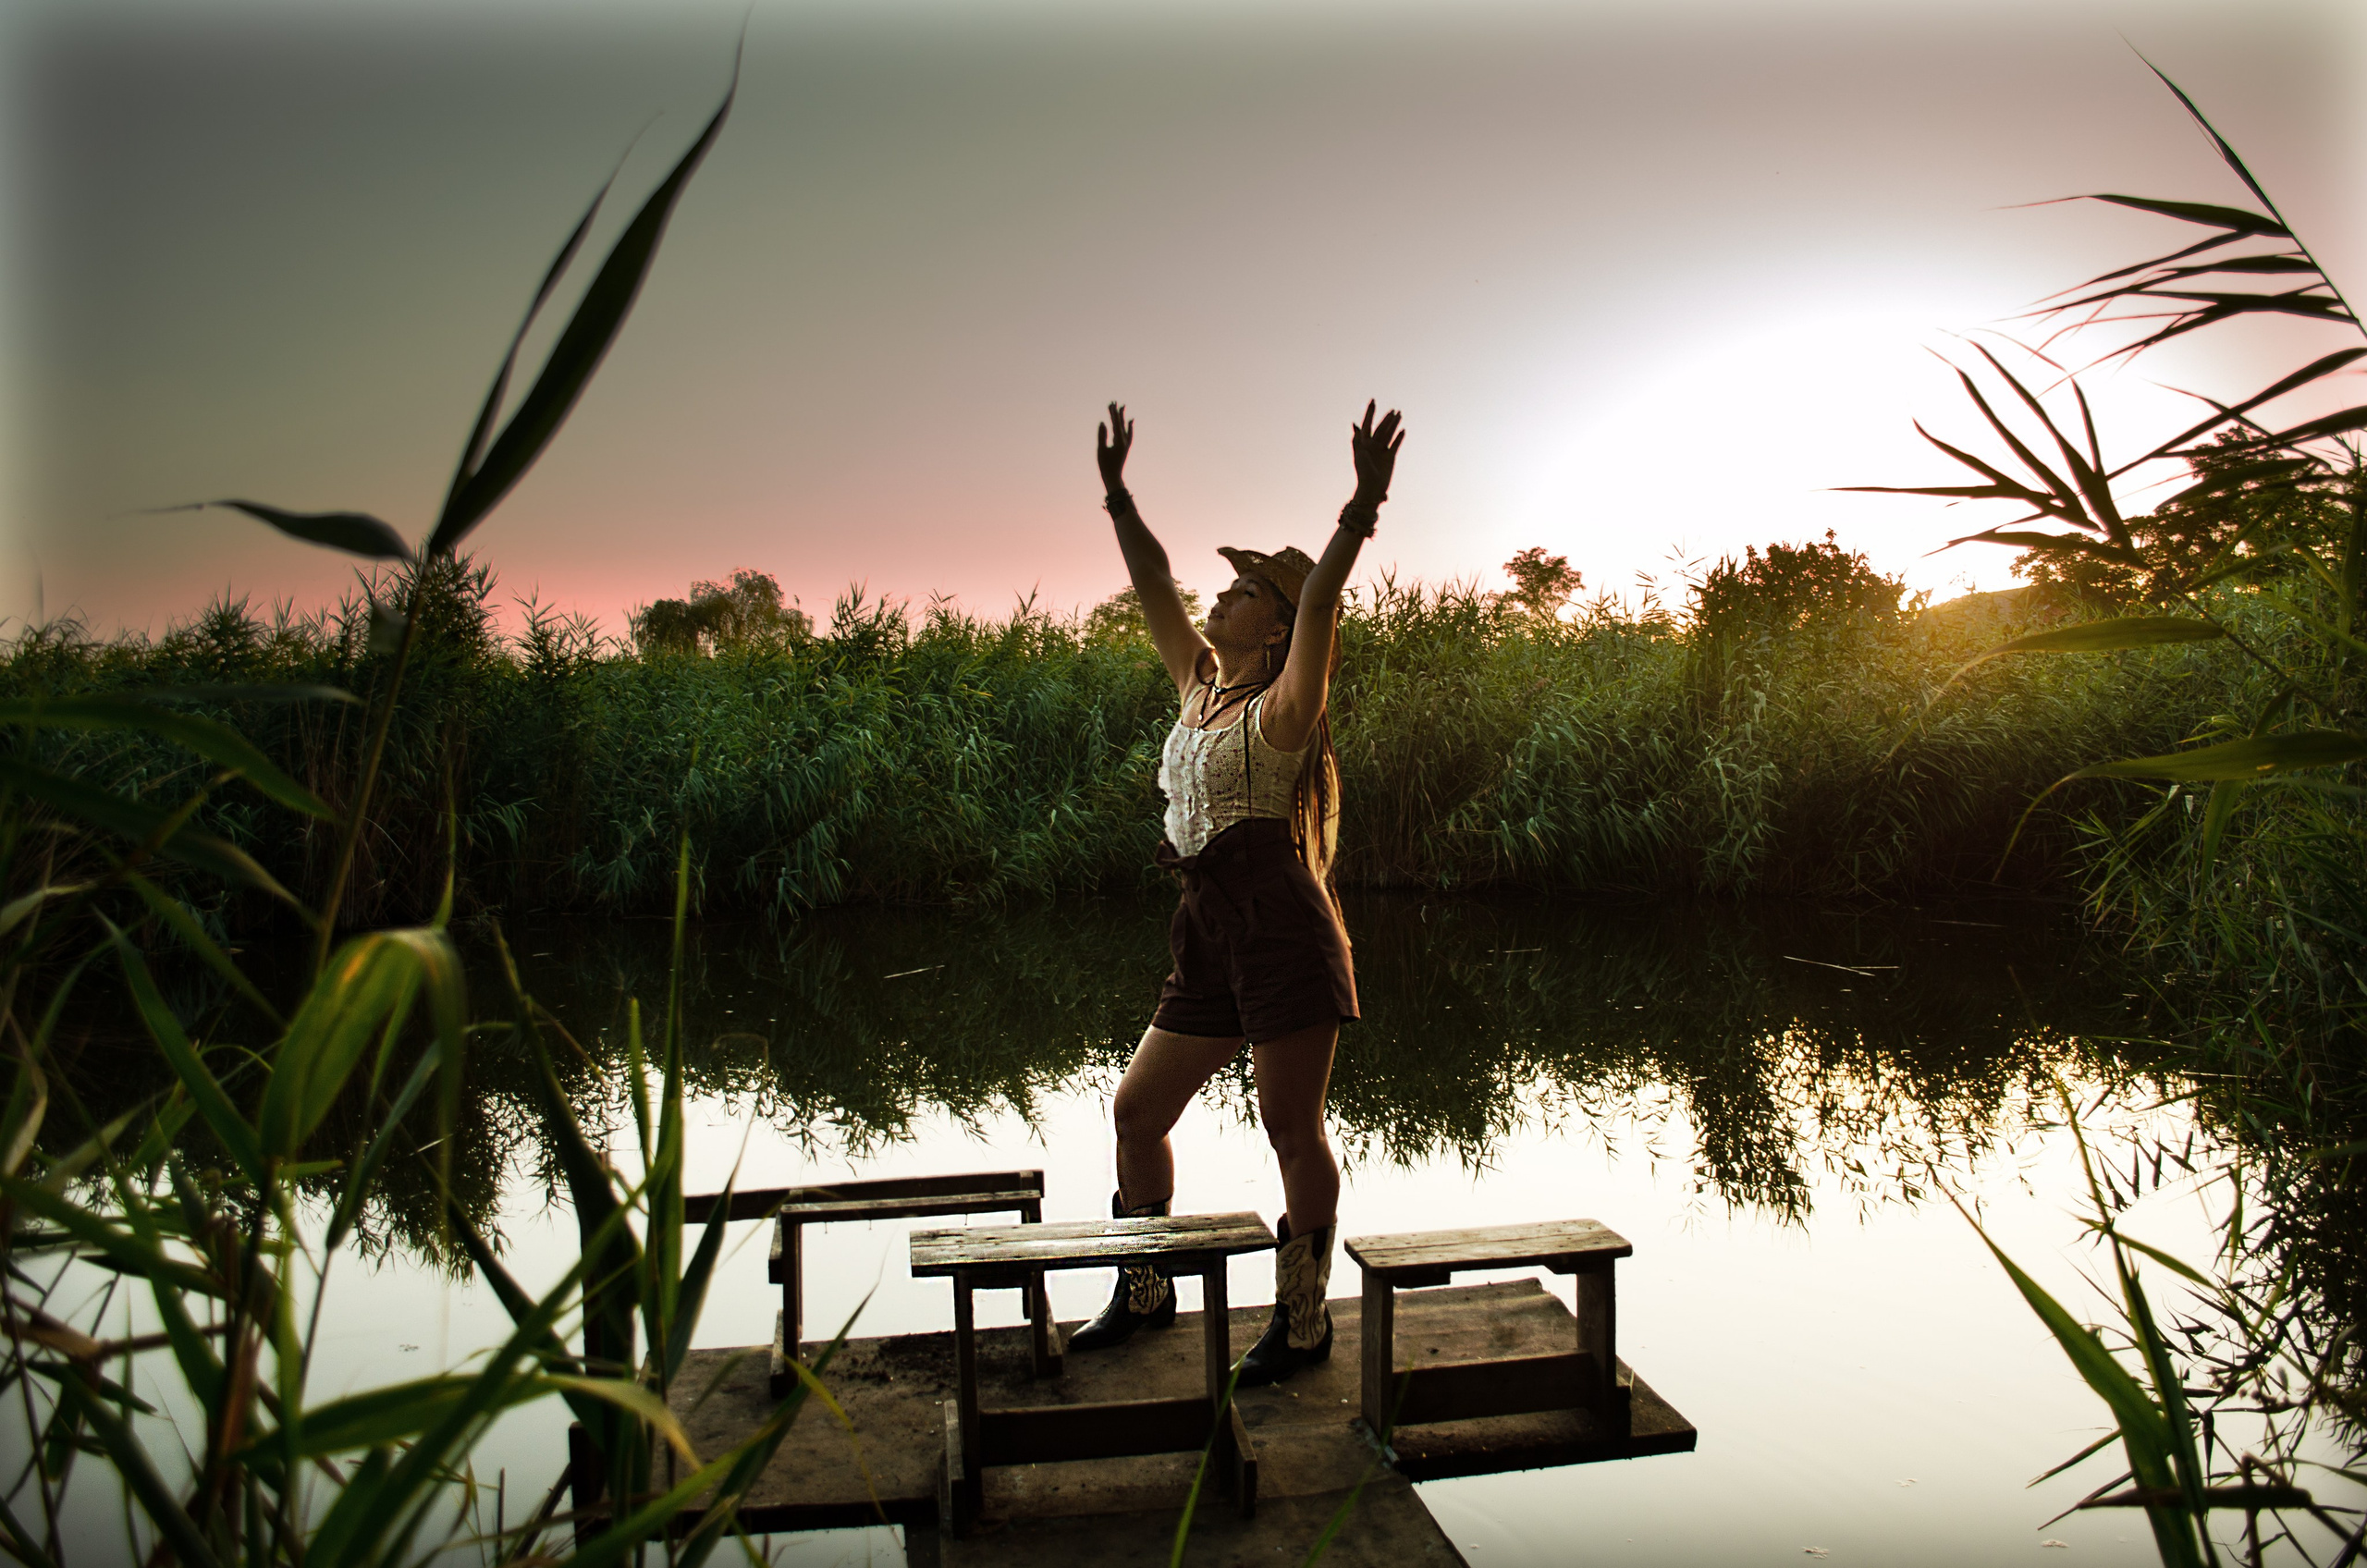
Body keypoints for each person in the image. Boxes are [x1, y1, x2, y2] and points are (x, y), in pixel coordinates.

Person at [1070, 398, 1404, 1385]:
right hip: (1205, 928)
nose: (1220, 595)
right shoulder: (1197, 685)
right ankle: (1146, 1290)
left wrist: (1361, 508)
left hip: (1281, 929)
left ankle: (1302, 1320)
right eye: (1226, 586)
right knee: (1137, 1111)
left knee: (1290, 1128)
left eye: (1246, 590)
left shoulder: (1284, 706)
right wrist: (1118, 496)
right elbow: (1150, 582)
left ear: (1278, 625)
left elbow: (1327, 603)